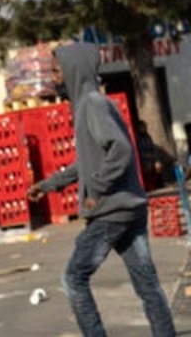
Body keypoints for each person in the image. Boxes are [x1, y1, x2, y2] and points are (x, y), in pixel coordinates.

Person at [26, 43, 176, 337]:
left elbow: (120, 150)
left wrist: (96, 190)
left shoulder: (92, 105)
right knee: (148, 286)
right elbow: (86, 162)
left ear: (74, 70)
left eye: (56, 71)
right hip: (129, 208)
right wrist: (49, 184)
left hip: (112, 212)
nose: (54, 78)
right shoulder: (90, 104)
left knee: (73, 279)